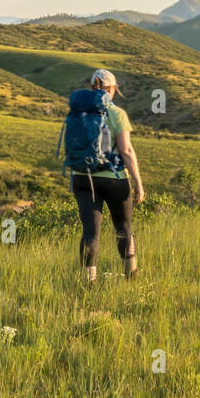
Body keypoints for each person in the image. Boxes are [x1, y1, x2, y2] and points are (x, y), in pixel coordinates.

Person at [69, 69, 144, 283]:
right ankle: (131, 275)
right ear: (111, 89)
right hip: (114, 178)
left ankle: (88, 281)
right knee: (124, 227)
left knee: (90, 232)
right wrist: (138, 183)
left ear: (92, 86)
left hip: (82, 178)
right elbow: (126, 151)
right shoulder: (117, 113)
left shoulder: (77, 112)